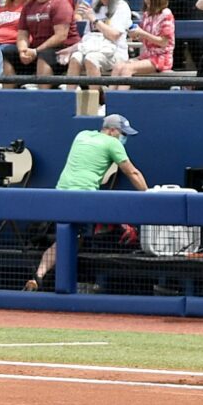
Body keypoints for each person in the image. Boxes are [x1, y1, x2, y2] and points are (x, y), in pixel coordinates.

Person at [26, 112, 145, 291]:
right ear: (112, 131)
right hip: (83, 199)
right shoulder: (113, 143)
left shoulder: (81, 135)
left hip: (60, 193)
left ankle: (39, 275)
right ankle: (74, 285)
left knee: (67, 236)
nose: (124, 138)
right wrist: (150, 195)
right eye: (124, 134)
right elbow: (132, 173)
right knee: (75, 238)